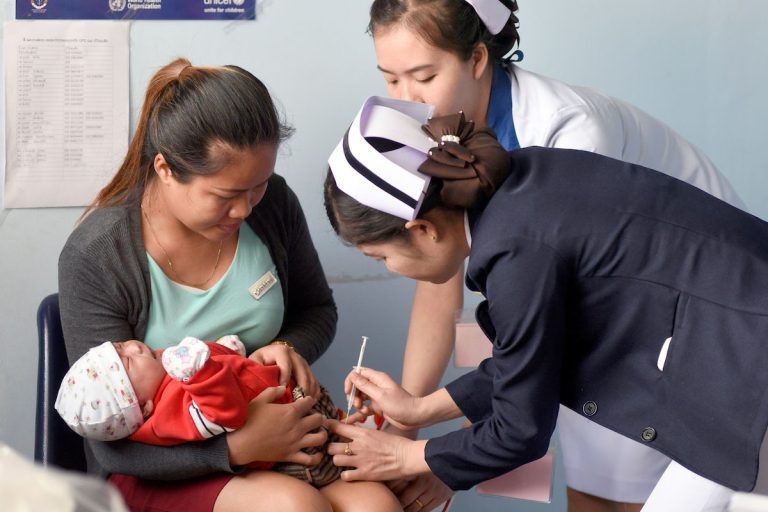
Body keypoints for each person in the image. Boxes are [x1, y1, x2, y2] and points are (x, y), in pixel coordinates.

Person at [366, 1, 745, 510]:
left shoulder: (567, 131)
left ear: (478, 58)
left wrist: (443, 460)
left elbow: (546, 339)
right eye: (390, 80)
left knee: (620, 487)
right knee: (593, 486)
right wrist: (405, 427)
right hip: (614, 319)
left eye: (424, 76)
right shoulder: (432, 132)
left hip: (694, 303)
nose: (407, 100)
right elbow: (438, 279)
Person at [58, 58, 401, 512]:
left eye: (256, 186)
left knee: (375, 504)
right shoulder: (98, 255)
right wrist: (236, 448)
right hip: (161, 466)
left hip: (279, 448)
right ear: (165, 169)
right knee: (292, 507)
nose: (244, 210)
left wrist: (286, 349)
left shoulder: (273, 203)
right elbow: (110, 446)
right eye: (224, 196)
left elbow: (317, 310)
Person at [55, 335, 346, 487]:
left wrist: (226, 348)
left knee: (343, 433)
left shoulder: (166, 374)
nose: (134, 347)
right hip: (295, 450)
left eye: (120, 347)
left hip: (297, 401)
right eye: (129, 362)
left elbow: (222, 366)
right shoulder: (168, 416)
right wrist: (199, 372)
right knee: (341, 463)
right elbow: (223, 413)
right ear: (143, 408)